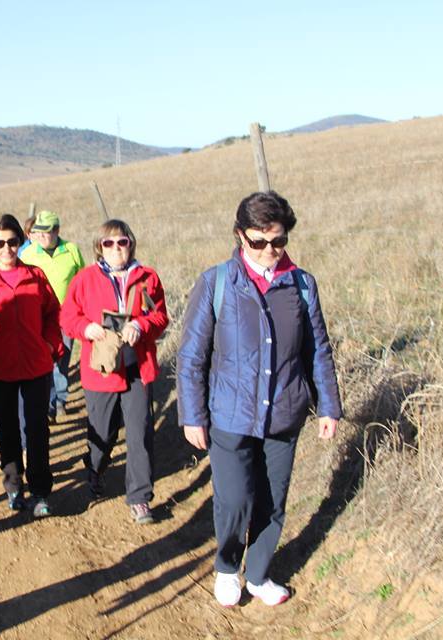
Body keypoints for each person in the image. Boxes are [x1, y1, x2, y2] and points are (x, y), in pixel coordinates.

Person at [176, 191, 342, 608]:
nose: (270, 250)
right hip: (229, 416)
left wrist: (328, 405)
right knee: (234, 500)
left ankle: (259, 574)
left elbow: (318, 351)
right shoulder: (215, 283)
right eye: (259, 241)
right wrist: (192, 414)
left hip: (284, 413)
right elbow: (192, 355)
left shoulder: (302, 285)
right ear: (239, 236)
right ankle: (228, 567)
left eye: (279, 241)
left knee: (272, 501)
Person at [60, 219, 169, 524]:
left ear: (131, 244)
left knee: (140, 432)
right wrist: (86, 328)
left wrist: (141, 325)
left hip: (137, 366)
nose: (116, 248)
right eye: (109, 243)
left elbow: (160, 316)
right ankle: (95, 467)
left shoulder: (147, 277)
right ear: (99, 247)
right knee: (103, 433)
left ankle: (140, 498)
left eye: (122, 242)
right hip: (102, 368)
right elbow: (67, 318)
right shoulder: (85, 279)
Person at [0, 214, 62, 516]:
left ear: (20, 242)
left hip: (36, 364)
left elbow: (53, 314)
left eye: (12, 241)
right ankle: (14, 486)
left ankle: (41, 491)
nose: (6, 248)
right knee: (7, 431)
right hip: (2, 367)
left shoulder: (35, 276)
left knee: (37, 430)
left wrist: (50, 345)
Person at [20, 210, 85, 420]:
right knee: (45, 360)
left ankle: (60, 402)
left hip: (67, 317)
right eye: (37, 231)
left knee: (62, 359)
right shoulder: (27, 254)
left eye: (45, 232)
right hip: (39, 317)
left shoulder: (71, 250)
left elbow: (83, 281)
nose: (39, 236)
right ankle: (48, 402)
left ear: (57, 231)